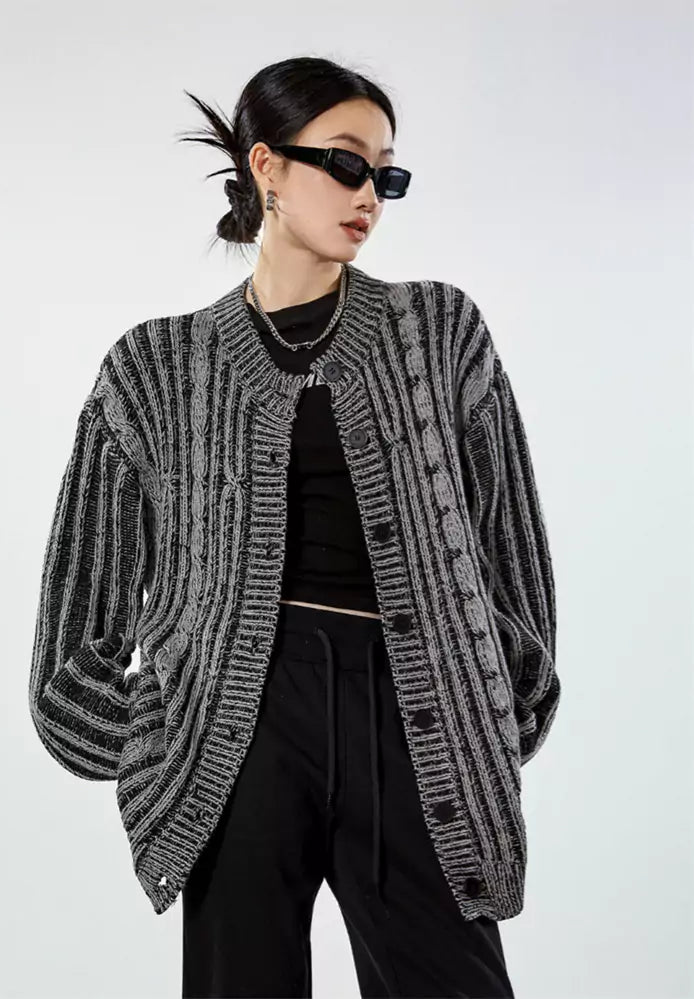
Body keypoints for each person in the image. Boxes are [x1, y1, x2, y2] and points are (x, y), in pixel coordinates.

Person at [28, 55, 560, 999]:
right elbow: (76, 630)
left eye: (387, 175)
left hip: (415, 717)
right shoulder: (154, 367)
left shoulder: (440, 330)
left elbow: (512, 565)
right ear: (266, 166)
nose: (370, 195)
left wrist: (488, 708)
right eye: (347, 164)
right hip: (237, 733)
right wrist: (162, 732)